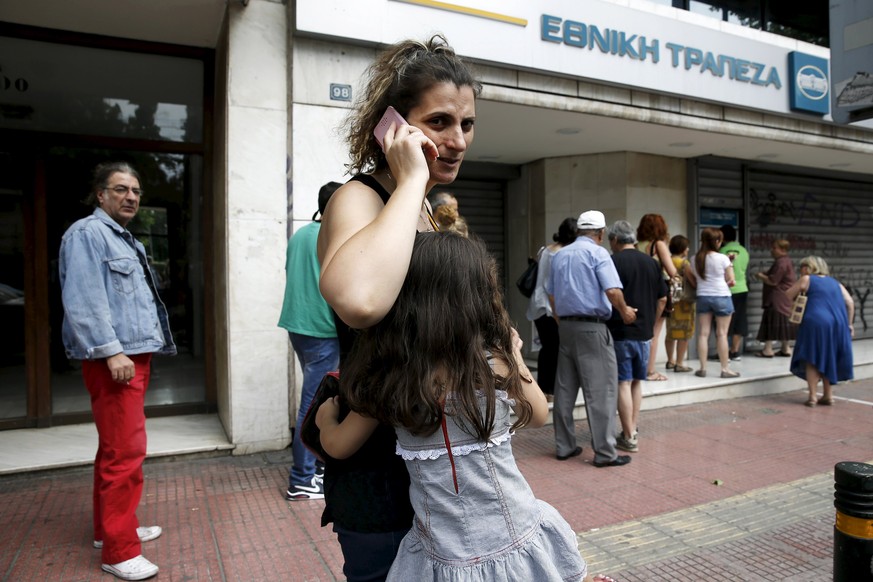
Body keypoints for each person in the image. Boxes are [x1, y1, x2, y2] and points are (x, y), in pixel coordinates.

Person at [317, 232, 609, 582]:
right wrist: (514, 355)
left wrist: (325, 419)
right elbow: (538, 413)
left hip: (439, 553)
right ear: (477, 297)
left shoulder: (391, 377)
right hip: (512, 535)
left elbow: (337, 445)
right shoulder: (494, 365)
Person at [316, 35, 480, 582]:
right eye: (438, 122)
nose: (457, 141)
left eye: (467, 124)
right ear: (395, 126)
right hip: (379, 475)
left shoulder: (426, 212)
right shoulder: (358, 198)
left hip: (437, 464)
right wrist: (410, 177)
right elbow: (361, 302)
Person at [59, 162, 175, 581]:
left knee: (114, 449)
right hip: (115, 361)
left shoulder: (120, 237)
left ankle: (110, 528)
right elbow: (83, 300)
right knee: (125, 453)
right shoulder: (88, 235)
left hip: (129, 357)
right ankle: (119, 550)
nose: (130, 197)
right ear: (100, 194)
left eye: (136, 191)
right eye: (121, 189)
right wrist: (112, 353)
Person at [547, 210, 635, 468]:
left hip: (566, 327)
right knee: (601, 392)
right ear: (601, 233)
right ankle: (605, 453)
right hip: (592, 327)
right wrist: (625, 311)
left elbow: (551, 294)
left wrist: (560, 320)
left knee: (564, 389)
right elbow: (612, 290)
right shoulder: (598, 253)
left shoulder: (560, 254)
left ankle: (564, 446)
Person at [278, 181, 342, 501]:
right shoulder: (333, 236)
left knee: (316, 396)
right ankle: (301, 479)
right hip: (321, 330)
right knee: (313, 401)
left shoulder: (300, 235)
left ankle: (315, 467)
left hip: (298, 327)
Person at [606, 221, 667, 454]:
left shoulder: (613, 262)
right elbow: (663, 298)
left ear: (614, 240)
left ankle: (629, 435)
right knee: (636, 382)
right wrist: (652, 320)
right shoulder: (651, 263)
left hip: (620, 332)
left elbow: (609, 294)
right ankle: (632, 430)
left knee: (623, 381)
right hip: (644, 334)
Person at [786, 256, 854, 407]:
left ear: (809, 267)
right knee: (828, 356)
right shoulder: (836, 282)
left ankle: (812, 397)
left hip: (815, 322)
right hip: (838, 323)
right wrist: (849, 324)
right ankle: (828, 395)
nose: (800, 269)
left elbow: (788, 295)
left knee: (812, 358)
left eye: (802, 266)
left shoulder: (806, 279)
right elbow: (850, 302)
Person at [525, 217, 577, 400]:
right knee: (553, 349)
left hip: (538, 304)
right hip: (550, 306)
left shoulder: (545, 249)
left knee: (548, 348)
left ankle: (546, 389)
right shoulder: (563, 254)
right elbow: (555, 286)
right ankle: (549, 390)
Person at [685, 228, 739, 379]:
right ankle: (725, 369)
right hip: (721, 296)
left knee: (703, 333)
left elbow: (695, 279)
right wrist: (730, 264)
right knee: (722, 334)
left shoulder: (695, 258)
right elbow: (731, 280)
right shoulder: (723, 258)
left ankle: (702, 368)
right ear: (717, 241)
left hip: (703, 296)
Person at [635, 214, 679, 382]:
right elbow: (671, 270)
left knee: (641, 332)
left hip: (640, 291)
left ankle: (641, 366)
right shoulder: (658, 244)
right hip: (658, 291)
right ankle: (650, 370)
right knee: (654, 332)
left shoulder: (637, 245)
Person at [754, 239, 797, 358]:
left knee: (771, 321)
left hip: (777, 298)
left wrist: (760, 276)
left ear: (782, 250)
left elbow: (773, 281)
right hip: (785, 298)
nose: (772, 250)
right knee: (783, 321)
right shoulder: (785, 261)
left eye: (774, 248)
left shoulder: (781, 263)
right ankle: (785, 348)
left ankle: (768, 349)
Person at [664, 235, 695, 373]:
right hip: (684, 302)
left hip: (671, 301)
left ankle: (670, 360)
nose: (688, 249)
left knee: (670, 332)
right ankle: (680, 363)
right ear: (682, 249)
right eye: (686, 247)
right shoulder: (684, 263)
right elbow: (693, 281)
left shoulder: (667, 261)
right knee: (684, 333)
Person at [719, 225, 749, 361]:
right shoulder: (744, 251)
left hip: (726, 289)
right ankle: (735, 351)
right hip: (742, 288)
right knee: (739, 318)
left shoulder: (721, 251)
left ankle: (723, 353)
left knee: (724, 321)